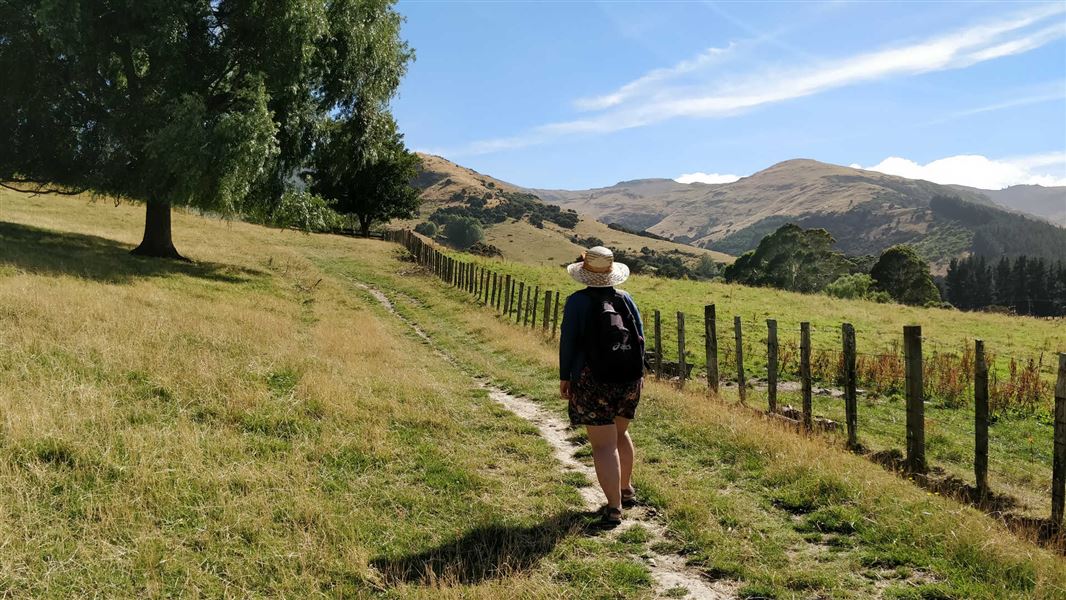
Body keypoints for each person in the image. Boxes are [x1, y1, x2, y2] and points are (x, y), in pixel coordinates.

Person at [559, 246, 645, 527]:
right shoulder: (626, 299)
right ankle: (626, 490)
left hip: (591, 379)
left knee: (603, 446)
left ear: (585, 275)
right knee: (621, 434)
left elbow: (568, 342)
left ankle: (614, 508)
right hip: (629, 379)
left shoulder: (577, 303)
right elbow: (640, 338)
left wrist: (565, 377)